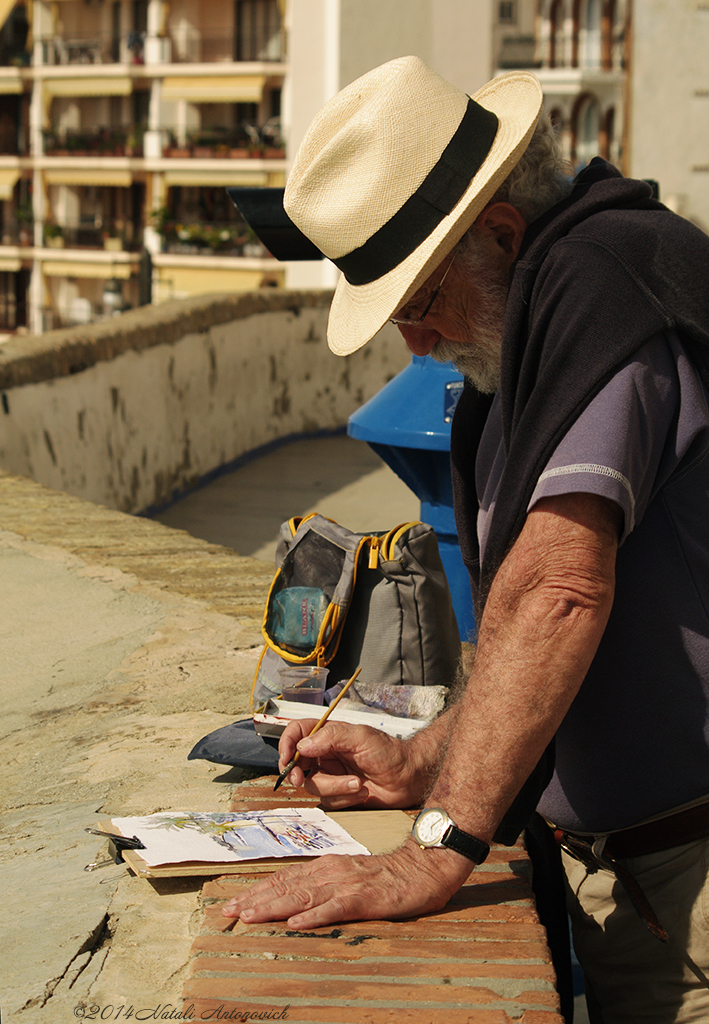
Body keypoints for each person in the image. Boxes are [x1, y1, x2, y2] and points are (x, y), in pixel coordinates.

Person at [222, 56, 709, 1023]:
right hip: (638, 870)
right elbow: (542, 631)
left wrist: (435, 844)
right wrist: (428, 757)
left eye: (419, 300)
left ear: (498, 230)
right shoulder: (544, 309)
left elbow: (558, 589)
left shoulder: (600, 281)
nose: (414, 341)